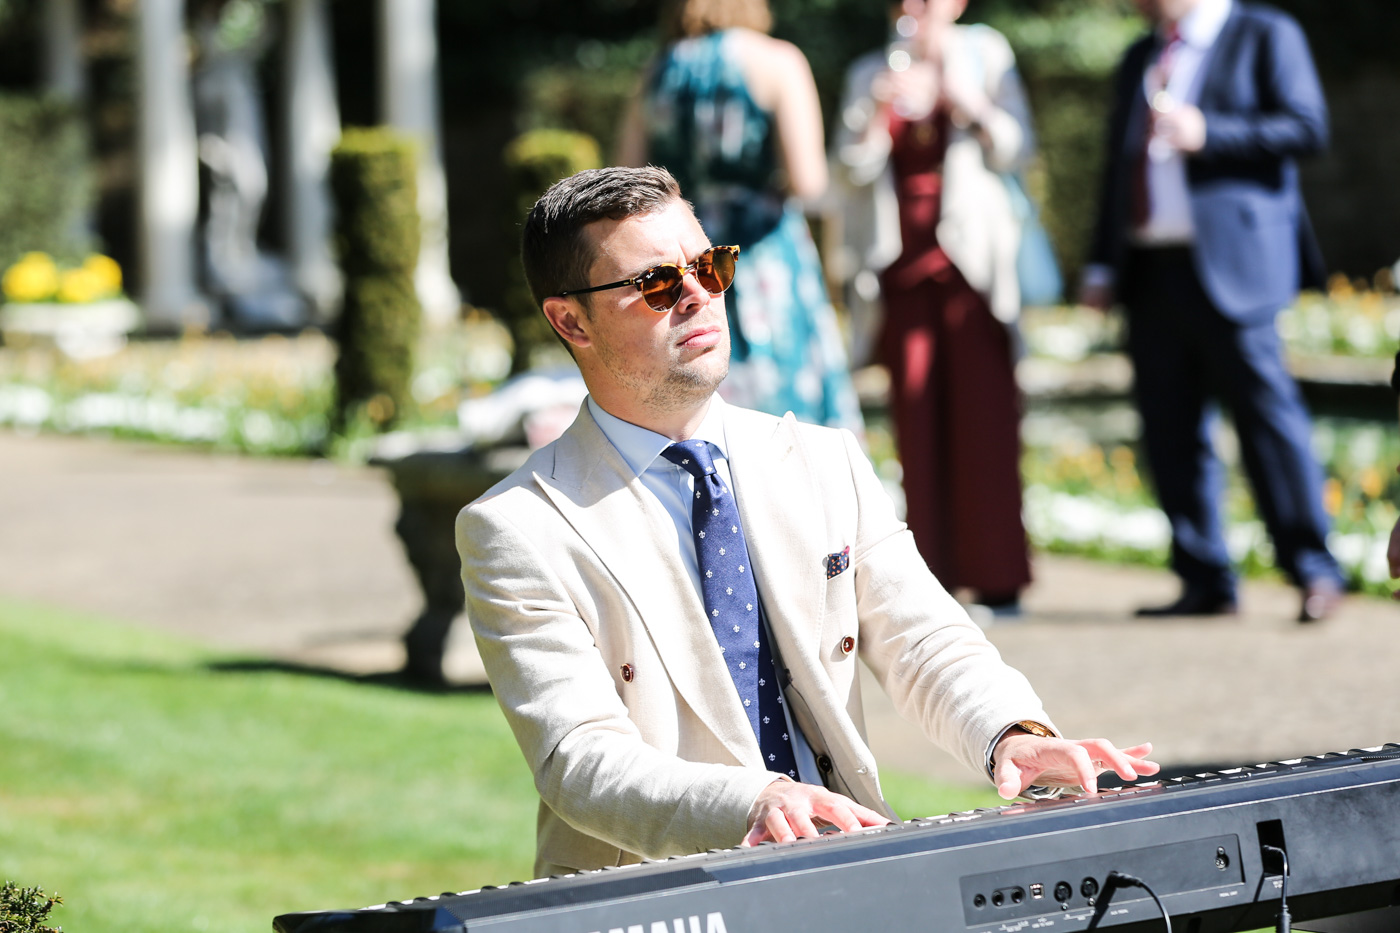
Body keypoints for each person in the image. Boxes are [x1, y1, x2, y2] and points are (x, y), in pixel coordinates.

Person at [458, 165, 1158, 877]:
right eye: (658, 284)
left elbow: (925, 640)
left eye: (709, 265)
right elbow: (580, 759)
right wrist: (756, 801)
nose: (698, 293)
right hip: (657, 899)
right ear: (570, 321)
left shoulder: (825, 459)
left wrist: (1012, 732)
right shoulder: (517, 528)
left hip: (848, 870)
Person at [1079, 0, 1345, 622]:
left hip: (1237, 265)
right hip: (1151, 268)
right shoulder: (1141, 54)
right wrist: (1101, 263)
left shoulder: (1265, 33)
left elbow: (1307, 126)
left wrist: (1210, 132)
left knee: (1267, 419)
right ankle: (1204, 578)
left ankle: (1313, 569)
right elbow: (1119, 165)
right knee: (1169, 426)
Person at [831, 0, 1035, 611]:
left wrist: (966, 99)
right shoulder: (870, 70)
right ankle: (935, 582)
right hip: (900, 269)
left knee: (986, 421)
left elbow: (1016, 146)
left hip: (973, 270)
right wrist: (876, 112)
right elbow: (849, 169)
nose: (915, 8)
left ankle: (999, 578)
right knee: (916, 424)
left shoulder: (987, 53)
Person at [616, 0, 863, 433]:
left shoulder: (657, 70)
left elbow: (627, 179)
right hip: (762, 252)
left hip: (684, 257)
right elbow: (808, 182)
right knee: (784, 406)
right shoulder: (777, 60)